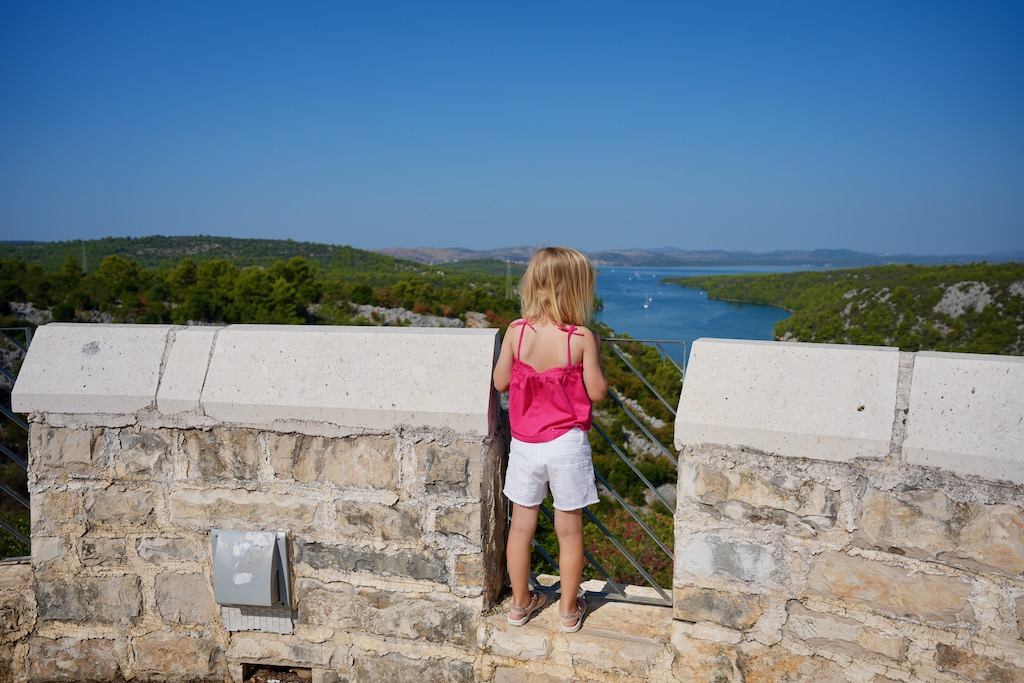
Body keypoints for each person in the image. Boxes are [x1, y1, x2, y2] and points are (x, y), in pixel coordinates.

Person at [492, 246, 608, 633]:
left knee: (521, 528)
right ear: (576, 290)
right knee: (569, 530)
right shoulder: (580, 337)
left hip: (526, 445)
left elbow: (501, 382)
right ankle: (568, 611)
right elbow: (597, 392)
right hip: (567, 446)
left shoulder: (516, 331)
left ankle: (520, 604)